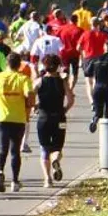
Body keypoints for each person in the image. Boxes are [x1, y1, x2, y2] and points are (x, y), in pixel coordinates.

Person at [0, 52, 35, 193]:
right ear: (19, 64)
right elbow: (29, 94)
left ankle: (0, 171)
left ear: (6, 64)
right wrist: (30, 104)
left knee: (2, 148)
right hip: (18, 118)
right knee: (15, 151)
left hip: (2, 117)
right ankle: (14, 181)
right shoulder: (23, 79)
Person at [35, 53, 70, 186]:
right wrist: (65, 109)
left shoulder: (40, 81)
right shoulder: (62, 82)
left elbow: (30, 95)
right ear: (58, 66)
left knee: (44, 148)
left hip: (44, 118)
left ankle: (47, 179)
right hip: (60, 118)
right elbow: (71, 99)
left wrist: (35, 106)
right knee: (58, 147)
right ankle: (56, 158)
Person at [86, 37, 108, 131]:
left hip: (97, 88)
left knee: (98, 112)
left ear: (104, 48)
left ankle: (95, 119)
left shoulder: (96, 59)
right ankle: (106, 132)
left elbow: (87, 72)